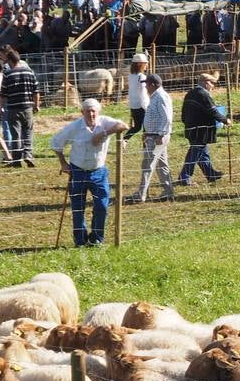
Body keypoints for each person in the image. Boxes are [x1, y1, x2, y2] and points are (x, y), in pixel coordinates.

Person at [50, 99, 126, 248]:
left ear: (98, 112)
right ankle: (80, 240)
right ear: (82, 112)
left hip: (99, 172)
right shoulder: (74, 127)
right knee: (78, 208)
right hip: (78, 171)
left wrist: (103, 134)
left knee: (102, 206)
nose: (91, 114)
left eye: (94, 111)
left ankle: (96, 238)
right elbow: (55, 142)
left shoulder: (104, 122)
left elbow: (123, 125)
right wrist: (63, 163)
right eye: (88, 111)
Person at [128, 73, 174, 204]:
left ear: (153, 85)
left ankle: (141, 194)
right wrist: (147, 132)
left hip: (157, 137)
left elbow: (167, 118)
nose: (145, 87)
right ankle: (168, 190)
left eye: (147, 84)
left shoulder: (160, 97)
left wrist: (161, 134)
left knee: (147, 165)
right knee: (161, 165)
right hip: (153, 135)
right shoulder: (156, 96)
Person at [178, 73, 229, 187]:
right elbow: (213, 111)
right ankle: (184, 177)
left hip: (190, 128)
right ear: (206, 82)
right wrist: (225, 120)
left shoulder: (190, 93)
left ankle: (210, 174)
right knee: (195, 152)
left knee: (203, 152)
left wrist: (186, 123)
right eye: (212, 83)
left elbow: (183, 112)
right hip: (201, 130)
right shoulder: (203, 95)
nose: (213, 86)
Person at [0, 48, 40, 167]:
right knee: (28, 131)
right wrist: (36, 104)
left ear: (11, 61)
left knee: (15, 133)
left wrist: (1, 108)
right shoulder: (29, 72)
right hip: (27, 107)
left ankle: (16, 160)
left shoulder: (8, 74)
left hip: (13, 108)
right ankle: (28, 155)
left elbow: (3, 94)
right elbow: (36, 90)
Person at [124, 52, 150, 139]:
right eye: (145, 63)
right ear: (139, 64)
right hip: (141, 105)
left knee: (137, 127)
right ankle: (146, 145)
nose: (147, 65)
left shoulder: (131, 75)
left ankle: (123, 140)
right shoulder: (141, 77)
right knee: (147, 127)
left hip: (133, 104)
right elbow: (144, 91)